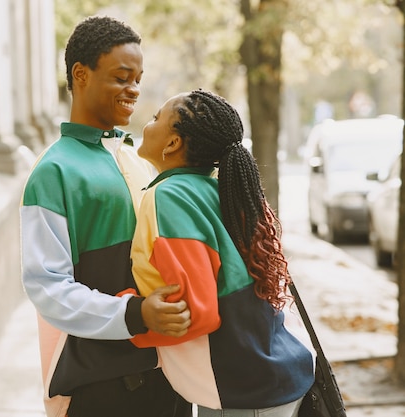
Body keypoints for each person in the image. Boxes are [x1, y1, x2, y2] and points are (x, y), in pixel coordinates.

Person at [20, 16, 192, 417]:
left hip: (166, 378)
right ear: (81, 75)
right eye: (121, 77)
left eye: (138, 78)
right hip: (101, 388)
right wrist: (135, 314)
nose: (133, 89)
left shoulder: (138, 158)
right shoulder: (54, 171)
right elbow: (48, 287)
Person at [130, 90, 316, 417]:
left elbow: (198, 313)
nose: (148, 123)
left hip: (244, 388)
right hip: (258, 377)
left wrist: (130, 314)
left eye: (156, 118)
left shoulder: (168, 196)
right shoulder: (213, 188)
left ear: (173, 144)